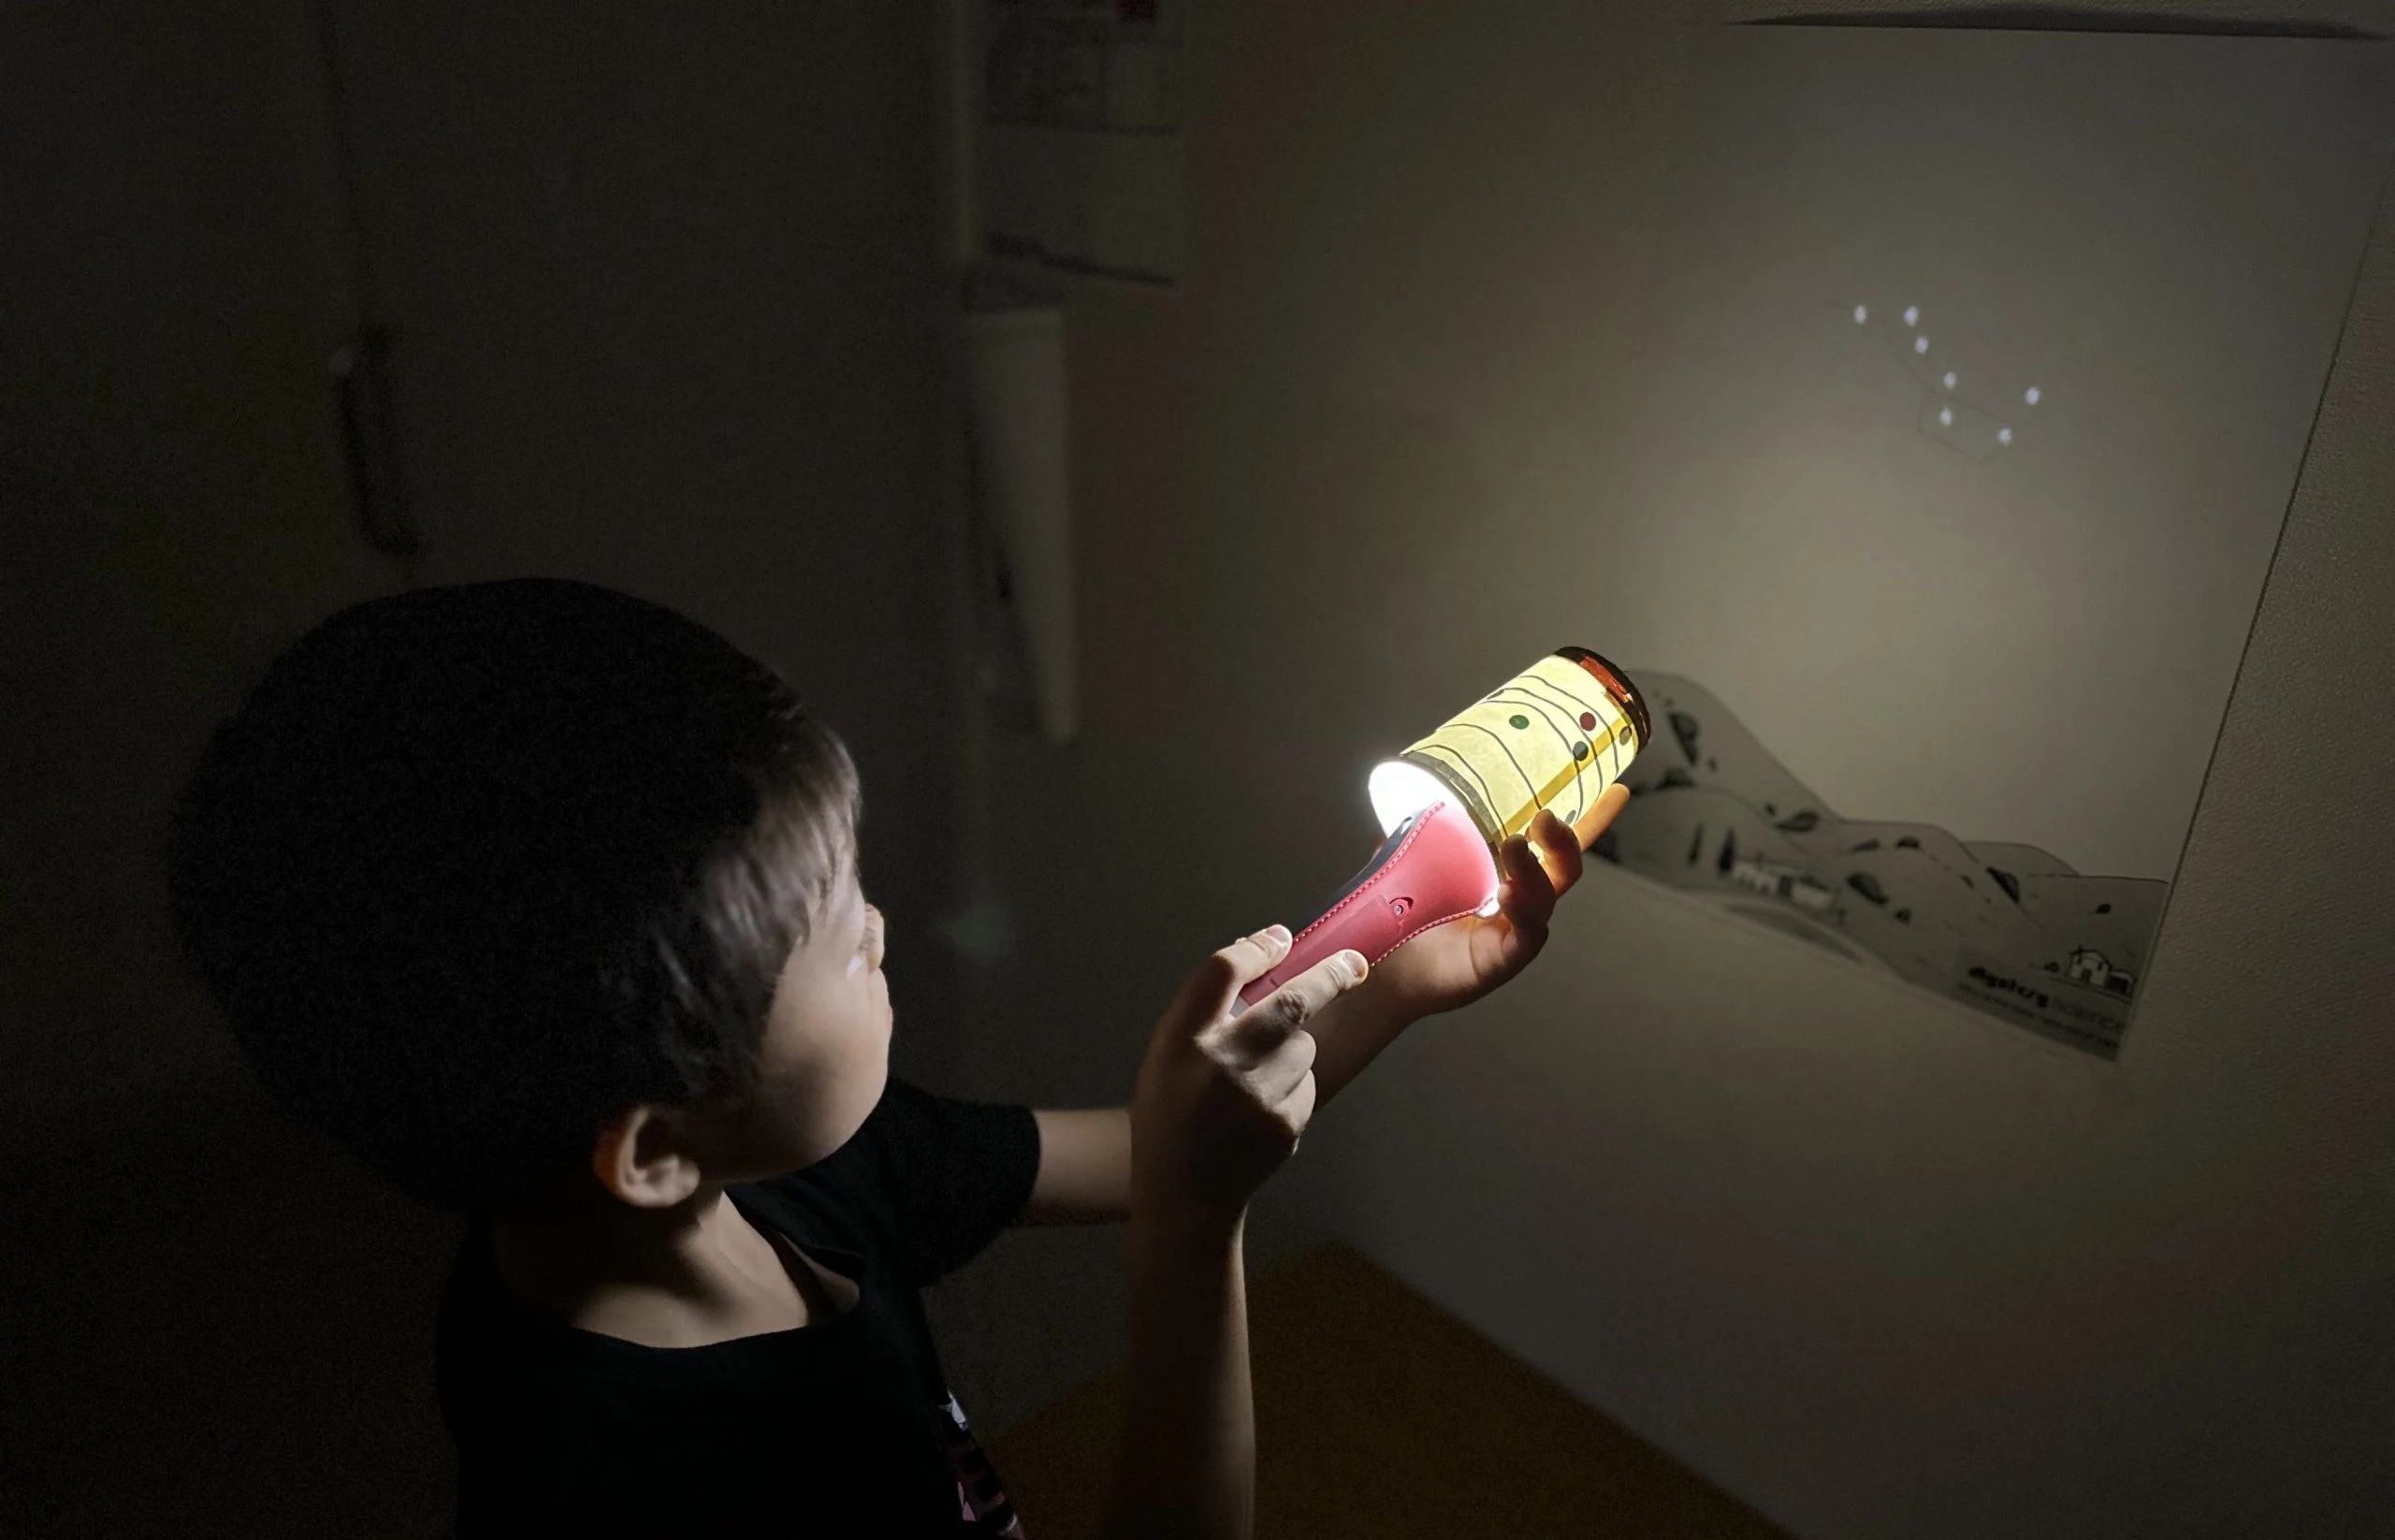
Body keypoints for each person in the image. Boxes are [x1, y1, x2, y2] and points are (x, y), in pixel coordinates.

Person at [168, 578, 1625, 1537]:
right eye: (830, 932)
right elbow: (1170, 1185)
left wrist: (1392, 982)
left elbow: (1136, 1148)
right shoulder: (627, 1481)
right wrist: (1200, 1229)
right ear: (654, 1138)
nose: (878, 923)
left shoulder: (776, 1169)